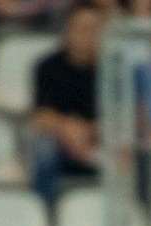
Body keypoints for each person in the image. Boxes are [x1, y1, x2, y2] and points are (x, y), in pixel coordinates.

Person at [29, 2, 103, 205]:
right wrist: (68, 129)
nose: (87, 37)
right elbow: (41, 117)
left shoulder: (112, 70)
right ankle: (45, 215)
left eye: (94, 30)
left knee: (133, 153)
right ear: (67, 31)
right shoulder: (48, 67)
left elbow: (122, 117)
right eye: (82, 30)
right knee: (44, 150)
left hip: (102, 141)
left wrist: (89, 131)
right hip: (63, 144)